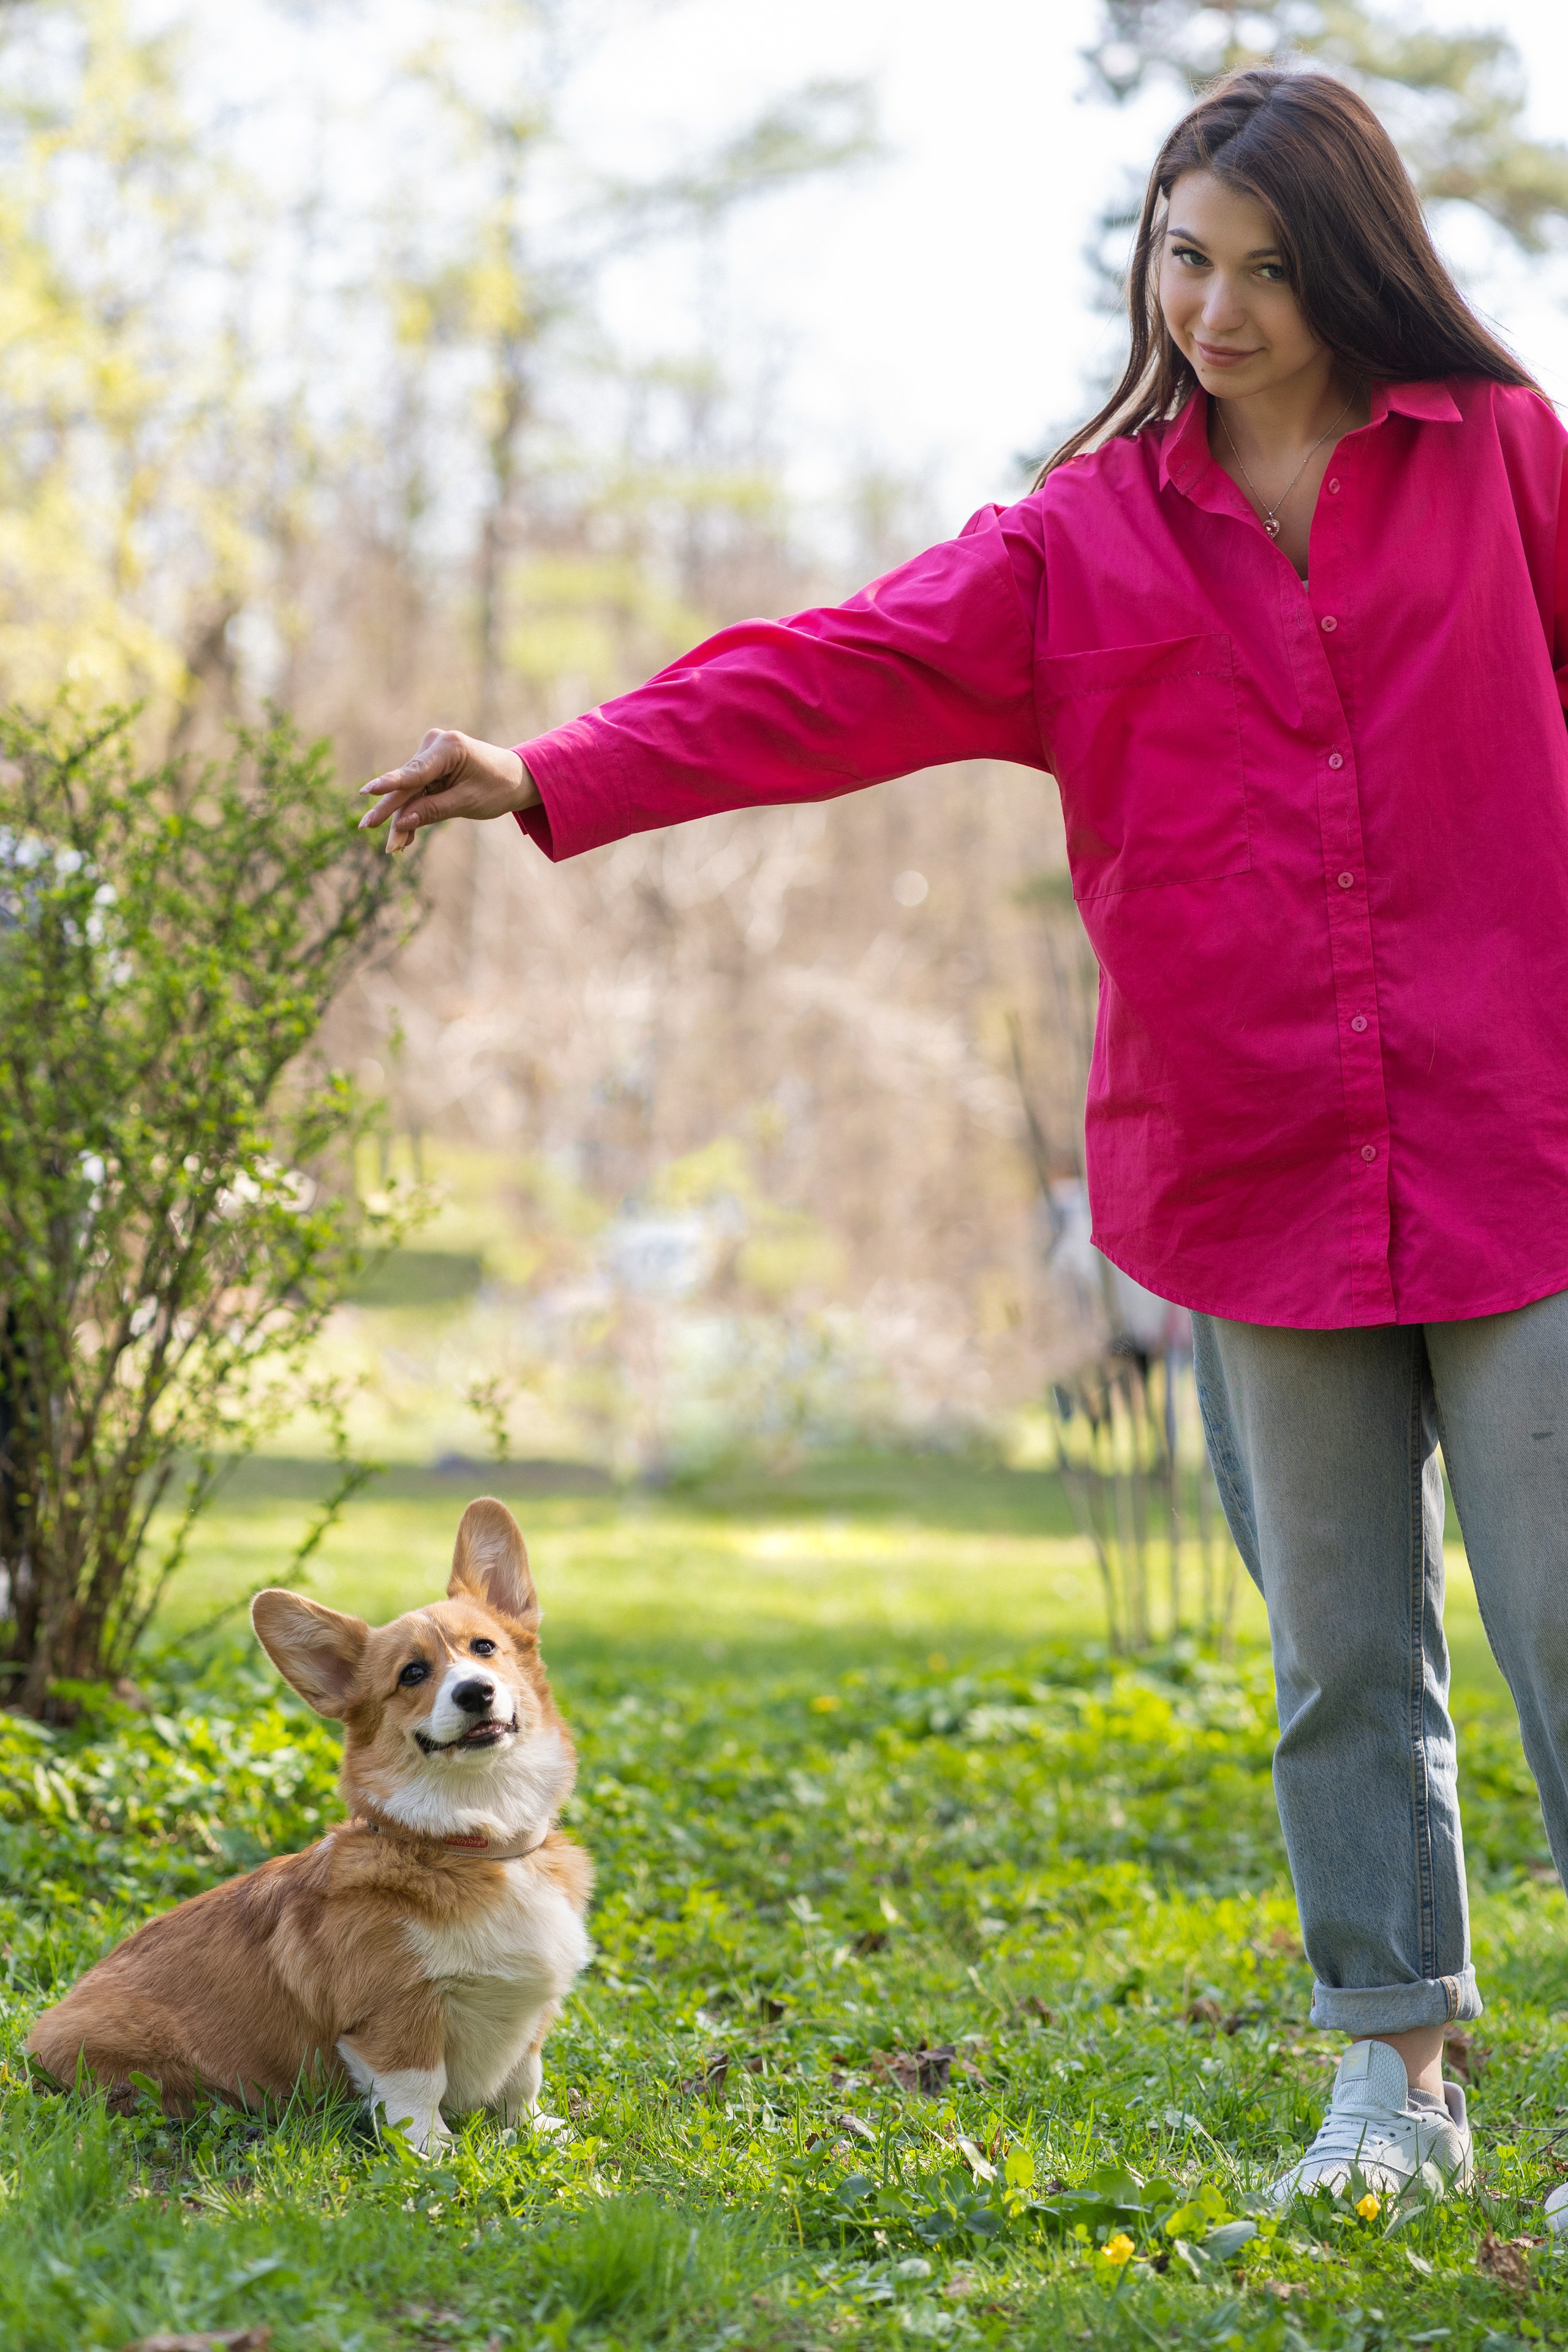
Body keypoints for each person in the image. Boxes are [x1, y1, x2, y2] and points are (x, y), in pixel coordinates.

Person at [358, 66, 1568, 2218]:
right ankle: (1399, 2084)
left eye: (1276, 268)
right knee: (1340, 1665)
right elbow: (828, 677)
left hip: (1528, 1137)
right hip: (1256, 1162)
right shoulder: (1083, 539)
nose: (1219, 309)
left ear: (1361, 263)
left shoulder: (1503, 465)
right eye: (1188, 256)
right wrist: (560, 768)